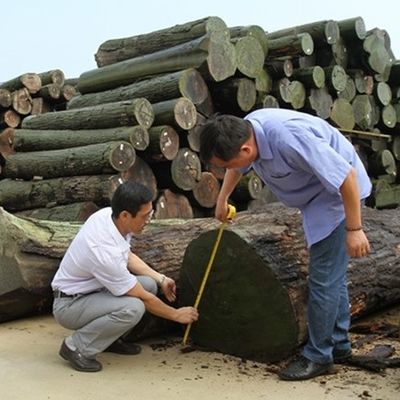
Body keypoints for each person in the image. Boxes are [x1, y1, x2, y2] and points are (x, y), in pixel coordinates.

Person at [198, 109, 371, 381]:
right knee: (331, 275)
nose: (228, 168)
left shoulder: (289, 138)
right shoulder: (244, 132)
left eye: (226, 163)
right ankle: (338, 345)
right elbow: (236, 166)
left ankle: (319, 356)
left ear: (246, 149)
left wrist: (355, 229)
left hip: (338, 197)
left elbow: (346, 177)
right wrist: (223, 198)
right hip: (315, 197)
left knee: (323, 278)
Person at [51, 181, 198, 372]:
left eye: (150, 214)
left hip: (92, 292)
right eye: (145, 216)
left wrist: (161, 278)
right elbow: (143, 298)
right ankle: (76, 347)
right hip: (70, 305)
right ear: (125, 215)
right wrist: (176, 315)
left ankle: (108, 339)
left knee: (149, 284)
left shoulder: (109, 217)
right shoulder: (104, 251)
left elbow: (127, 255)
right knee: (133, 307)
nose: (148, 220)